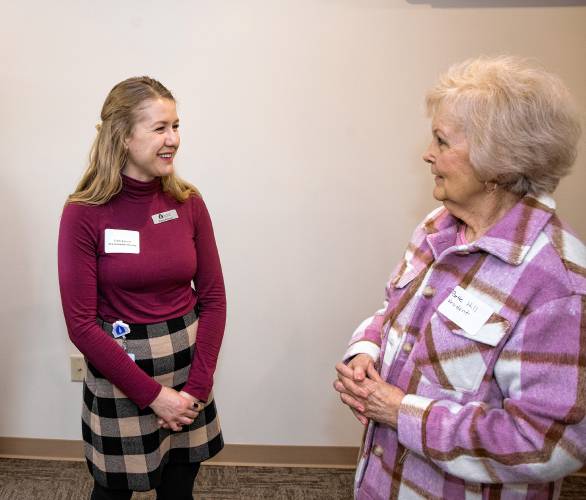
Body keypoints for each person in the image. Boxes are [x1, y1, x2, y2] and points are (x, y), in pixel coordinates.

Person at [333, 56, 585, 499]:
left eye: (442, 140)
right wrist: (365, 353)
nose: (427, 154)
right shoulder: (438, 226)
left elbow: (549, 444)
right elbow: (392, 312)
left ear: (499, 165)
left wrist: (401, 413)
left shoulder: (557, 284)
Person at [58, 77, 226, 500]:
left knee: (178, 491)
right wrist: (154, 397)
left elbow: (214, 300)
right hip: (121, 377)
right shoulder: (83, 213)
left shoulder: (189, 202)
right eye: (159, 128)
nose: (173, 139)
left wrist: (196, 389)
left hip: (188, 374)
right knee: (113, 493)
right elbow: (80, 324)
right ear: (123, 136)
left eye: (176, 126)